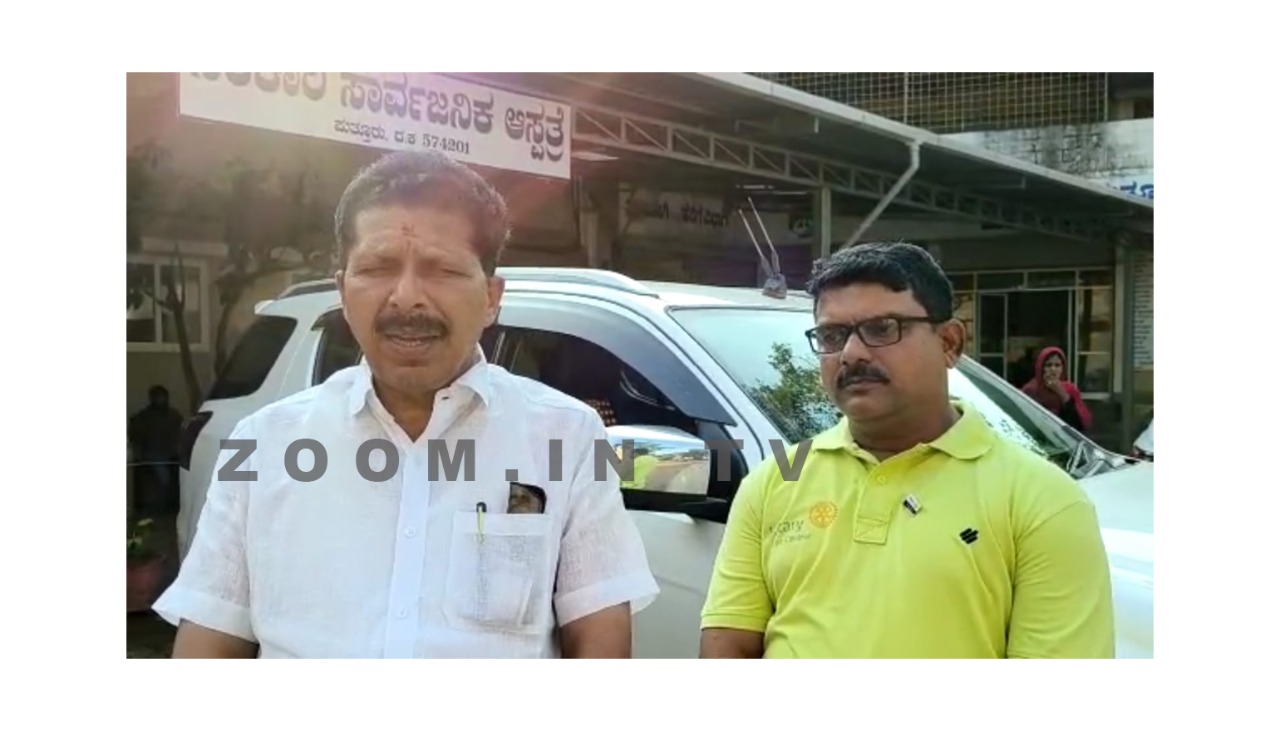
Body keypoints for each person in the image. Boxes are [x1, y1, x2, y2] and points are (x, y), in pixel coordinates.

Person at [154, 150, 659, 658]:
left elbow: (600, 646)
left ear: (491, 297)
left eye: (441, 270)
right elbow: (207, 647)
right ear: (343, 292)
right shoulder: (259, 445)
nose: (406, 297)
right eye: (377, 268)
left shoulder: (568, 438)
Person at [699, 241, 1114, 659]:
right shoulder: (775, 479)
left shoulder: (1044, 500)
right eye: (832, 335)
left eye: (883, 328)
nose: (851, 353)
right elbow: (728, 647)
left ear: (949, 342)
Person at [128, 385, 184, 514]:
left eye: (162, 396)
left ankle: (170, 506)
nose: (160, 399)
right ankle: (161, 508)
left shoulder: (174, 415)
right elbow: (135, 435)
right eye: (157, 397)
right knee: (164, 478)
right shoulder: (144, 417)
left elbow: (180, 433)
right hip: (153, 456)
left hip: (173, 455)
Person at [1021, 346, 1093, 432]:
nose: (1053, 369)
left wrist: (1061, 392)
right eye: (1048, 365)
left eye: (1057, 365)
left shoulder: (1070, 389)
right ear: (1041, 367)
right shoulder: (1030, 390)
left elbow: (1078, 424)